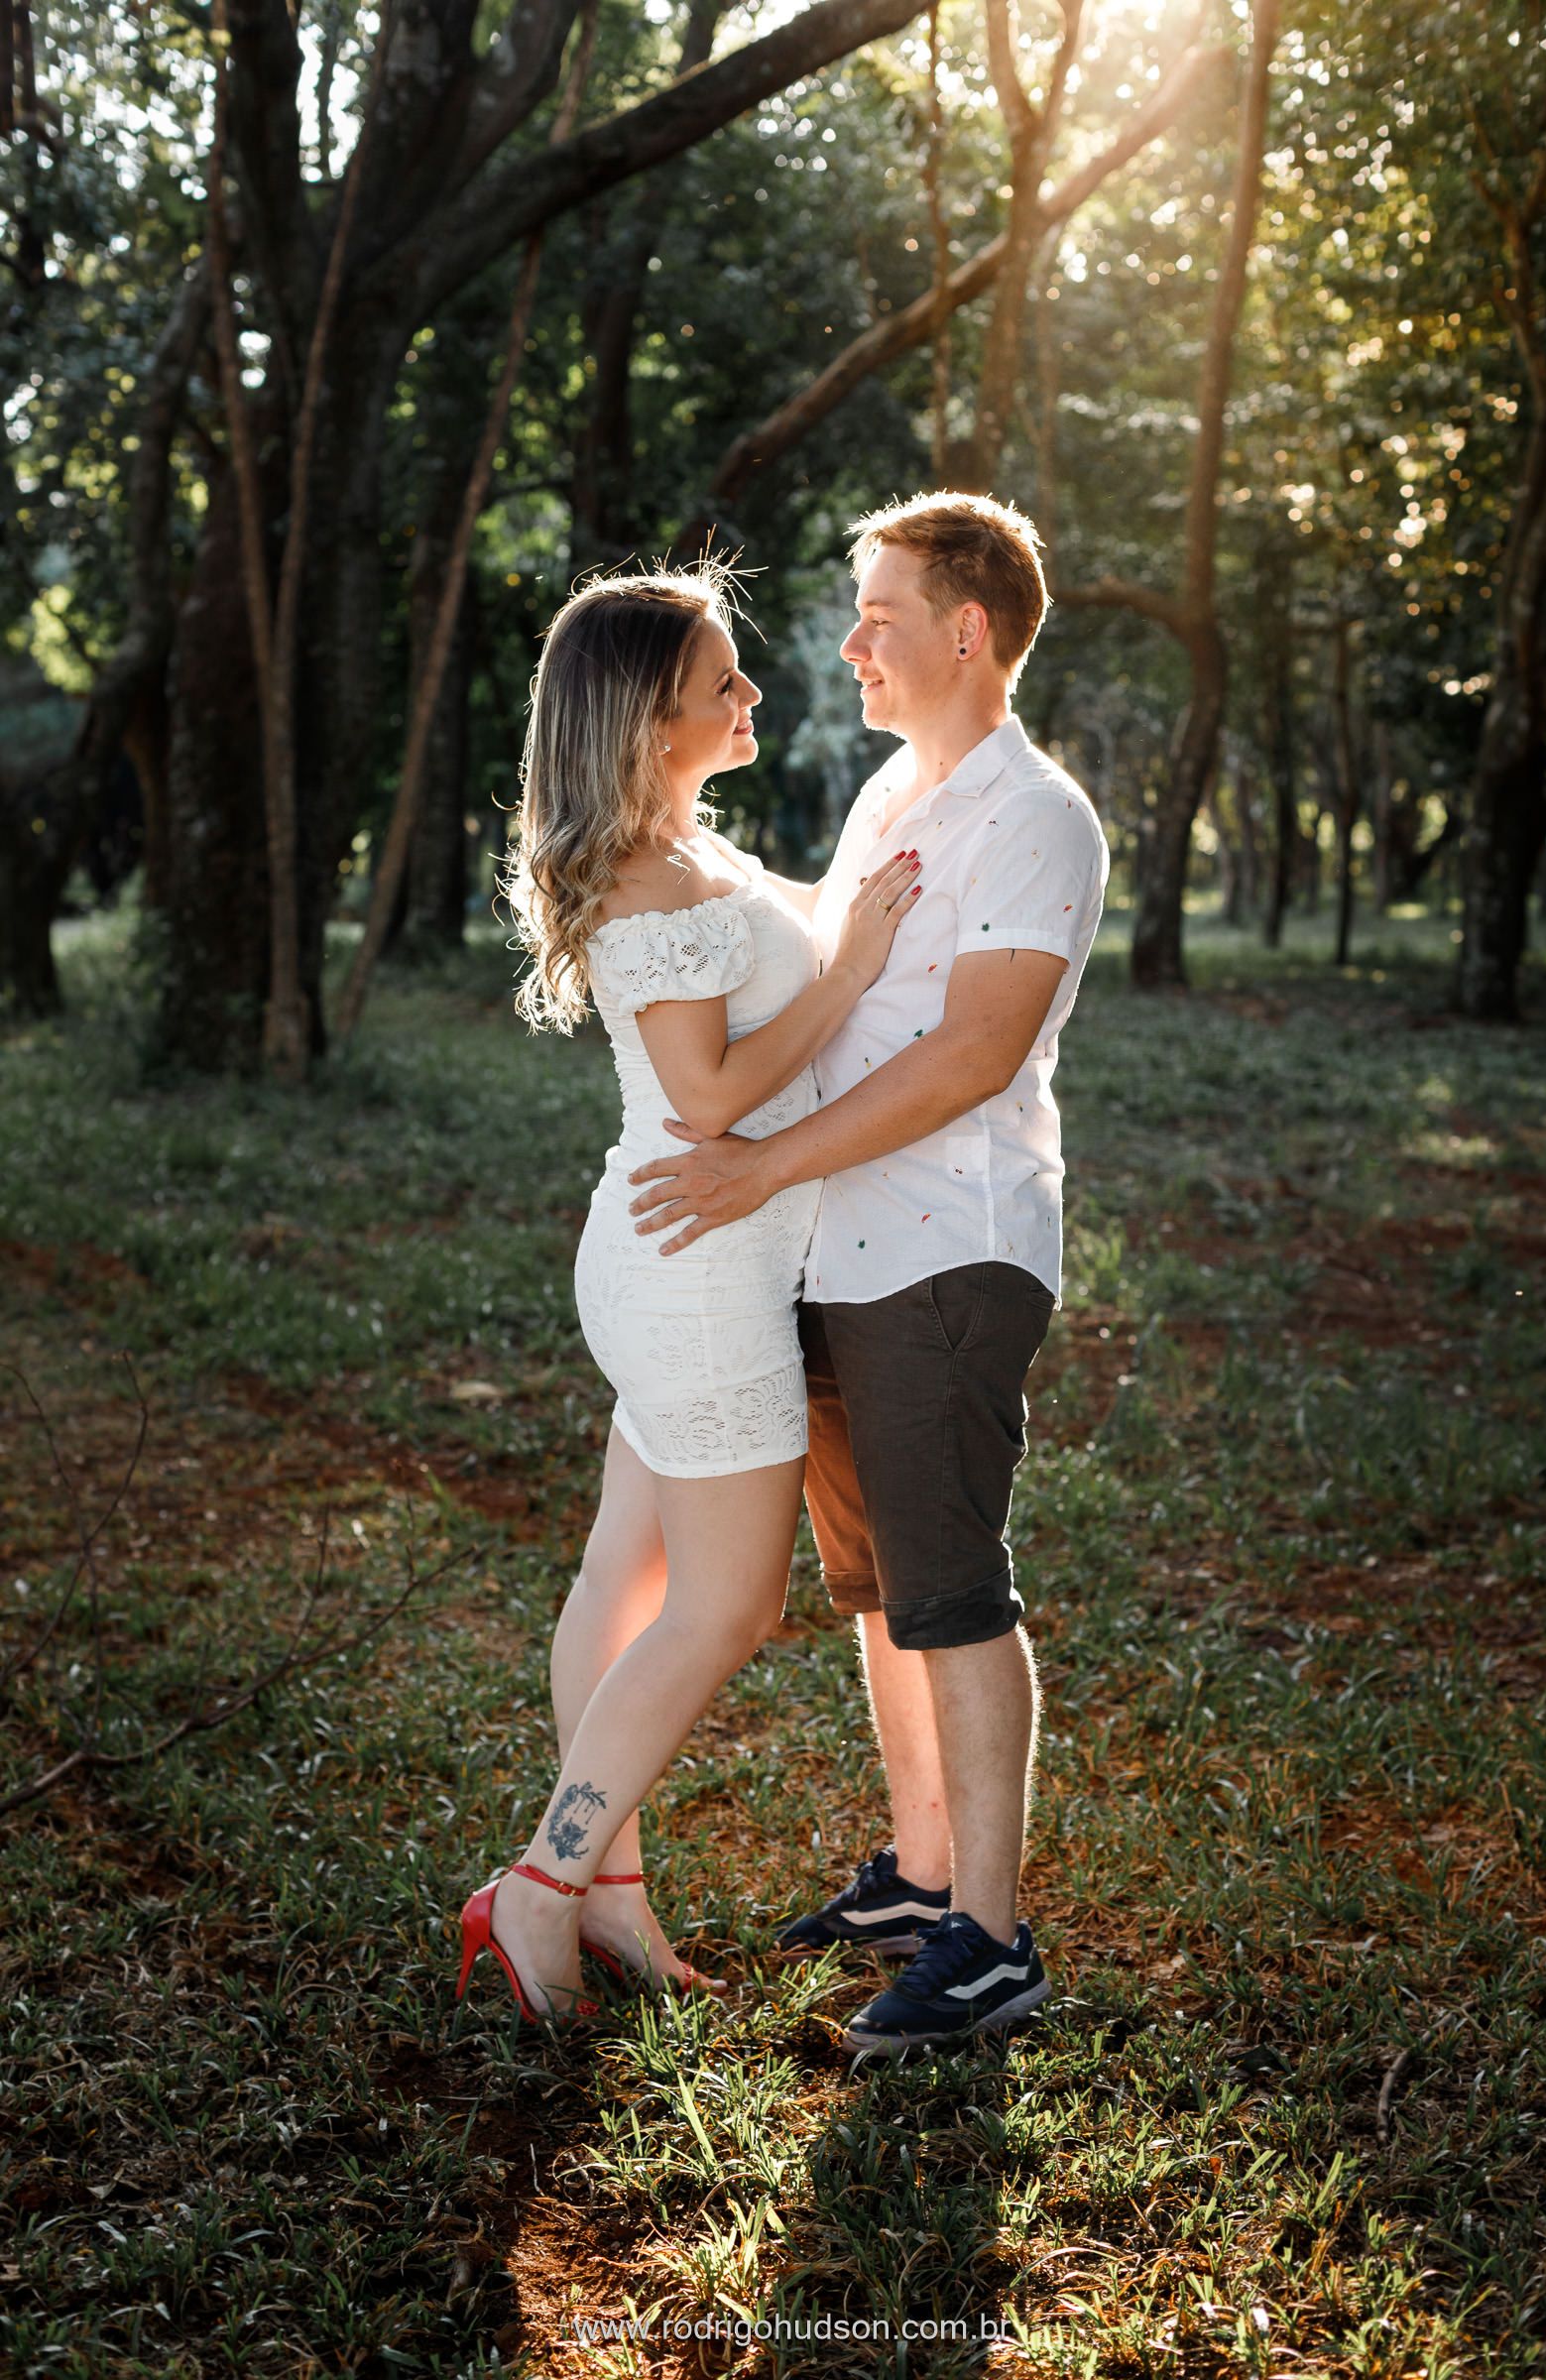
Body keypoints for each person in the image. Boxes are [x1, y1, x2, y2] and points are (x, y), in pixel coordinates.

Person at [628, 494, 1110, 2054]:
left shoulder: (1036, 818)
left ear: (968, 631)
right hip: (838, 1248)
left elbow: (974, 1054)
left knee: (954, 1596)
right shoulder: (894, 796)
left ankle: (988, 1937)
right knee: (880, 1593)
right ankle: (918, 1876)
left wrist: (759, 1166)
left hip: (947, 1253)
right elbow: (827, 990)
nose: (851, 646)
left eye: (880, 615)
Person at [459, 563, 923, 2030]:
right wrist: (848, 971)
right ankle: (540, 1883)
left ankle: (614, 1901)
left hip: (680, 1258)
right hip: (698, 1267)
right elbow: (711, 1095)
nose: (751, 697)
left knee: (626, 1578)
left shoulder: (688, 848)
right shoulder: (648, 881)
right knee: (726, 1603)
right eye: (723, 680)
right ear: (648, 713)